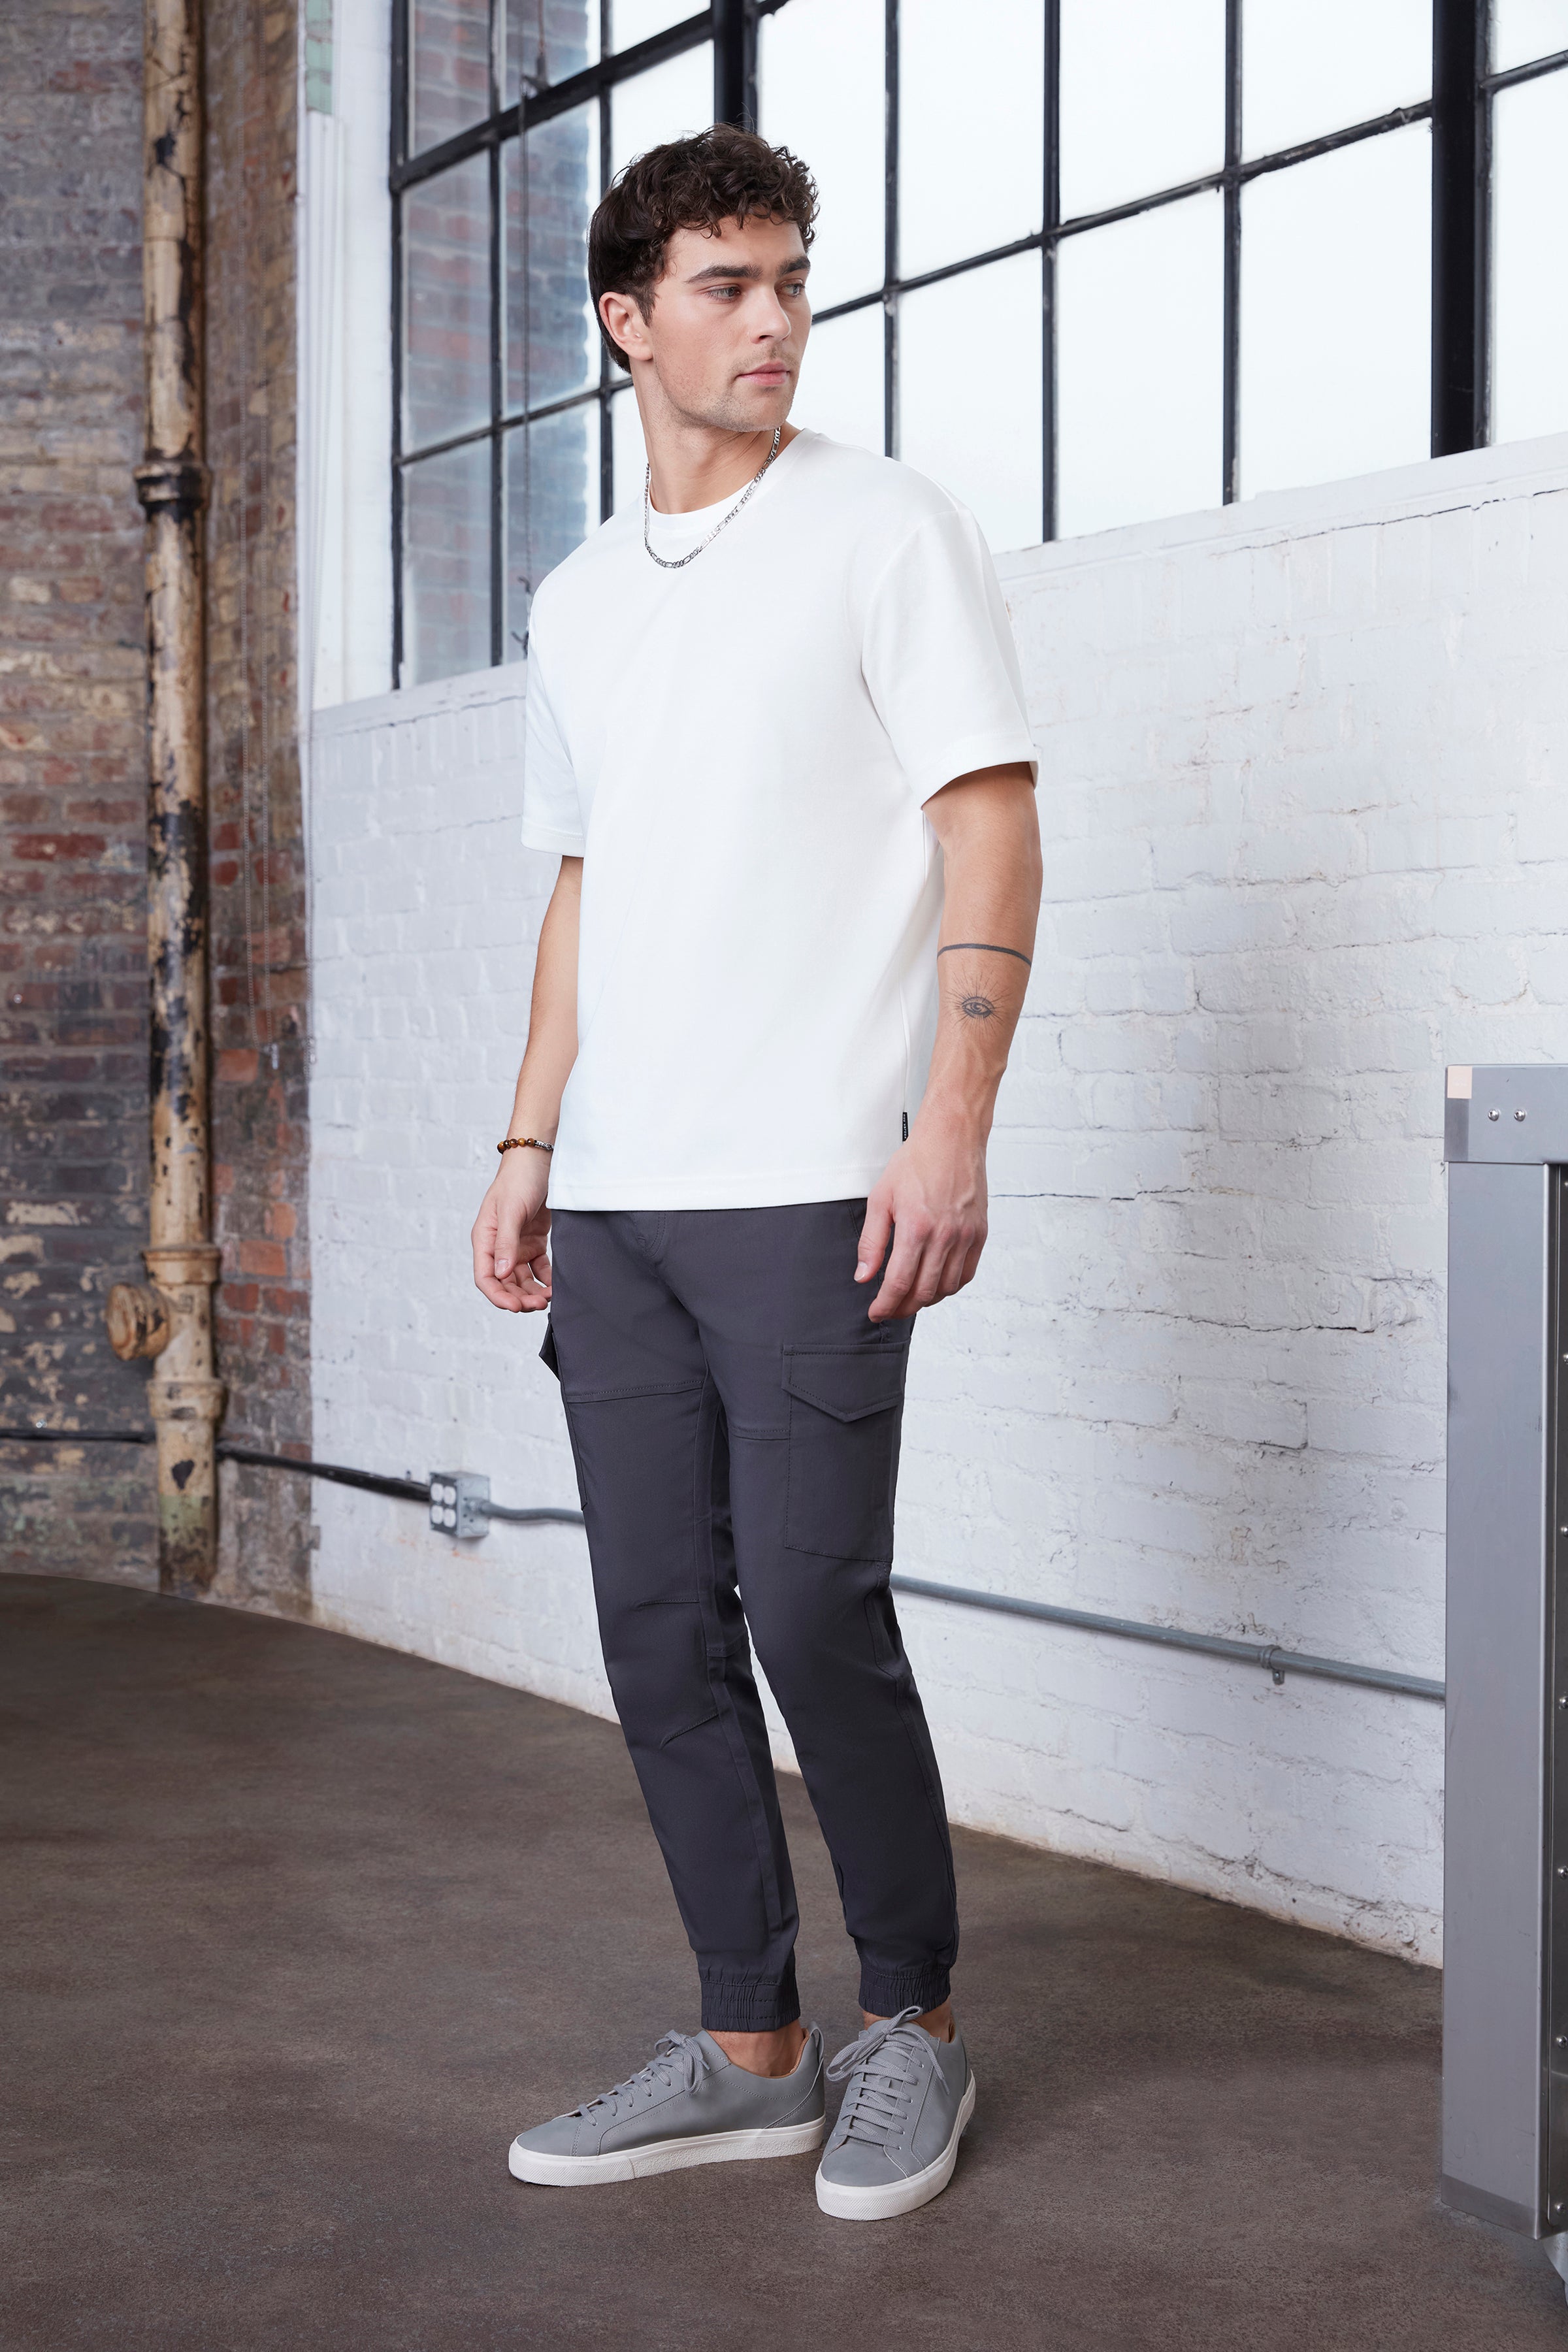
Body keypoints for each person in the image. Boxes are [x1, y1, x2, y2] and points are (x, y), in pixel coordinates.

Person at [472, 124, 1041, 2223]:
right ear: (628, 321)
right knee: (655, 1625)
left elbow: (991, 827)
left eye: (793, 280)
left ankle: (915, 2023)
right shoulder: (577, 601)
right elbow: (584, 889)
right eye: (728, 286)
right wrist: (531, 1136)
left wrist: (950, 1124)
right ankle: (748, 2044)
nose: (778, 319)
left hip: (814, 1182)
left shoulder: (888, 531)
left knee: (810, 1605)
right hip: (622, 1199)